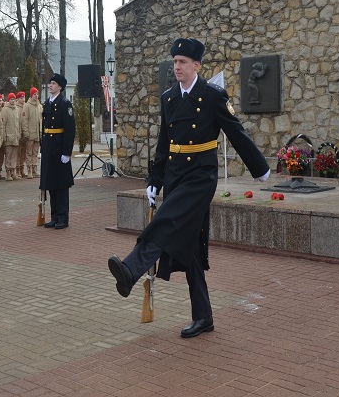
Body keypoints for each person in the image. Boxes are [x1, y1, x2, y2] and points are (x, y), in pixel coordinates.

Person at [107, 38, 270, 338]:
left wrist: (259, 167)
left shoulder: (212, 96)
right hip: (176, 175)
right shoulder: (169, 98)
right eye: (175, 62)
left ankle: (132, 268)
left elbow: (236, 132)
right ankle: (204, 316)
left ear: (197, 65)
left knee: (166, 220)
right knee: (191, 246)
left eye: (182, 62)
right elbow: (164, 144)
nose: (177, 67)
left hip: (200, 176)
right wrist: (155, 180)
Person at [39, 73, 76, 229]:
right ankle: (54, 216)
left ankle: (63, 217)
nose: (50, 85)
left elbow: (70, 130)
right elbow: (44, 128)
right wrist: (43, 147)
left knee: (61, 184)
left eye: (53, 83)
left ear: (60, 87)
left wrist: (67, 152)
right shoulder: (47, 103)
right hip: (49, 147)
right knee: (51, 183)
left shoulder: (65, 104)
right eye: (50, 83)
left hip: (60, 148)